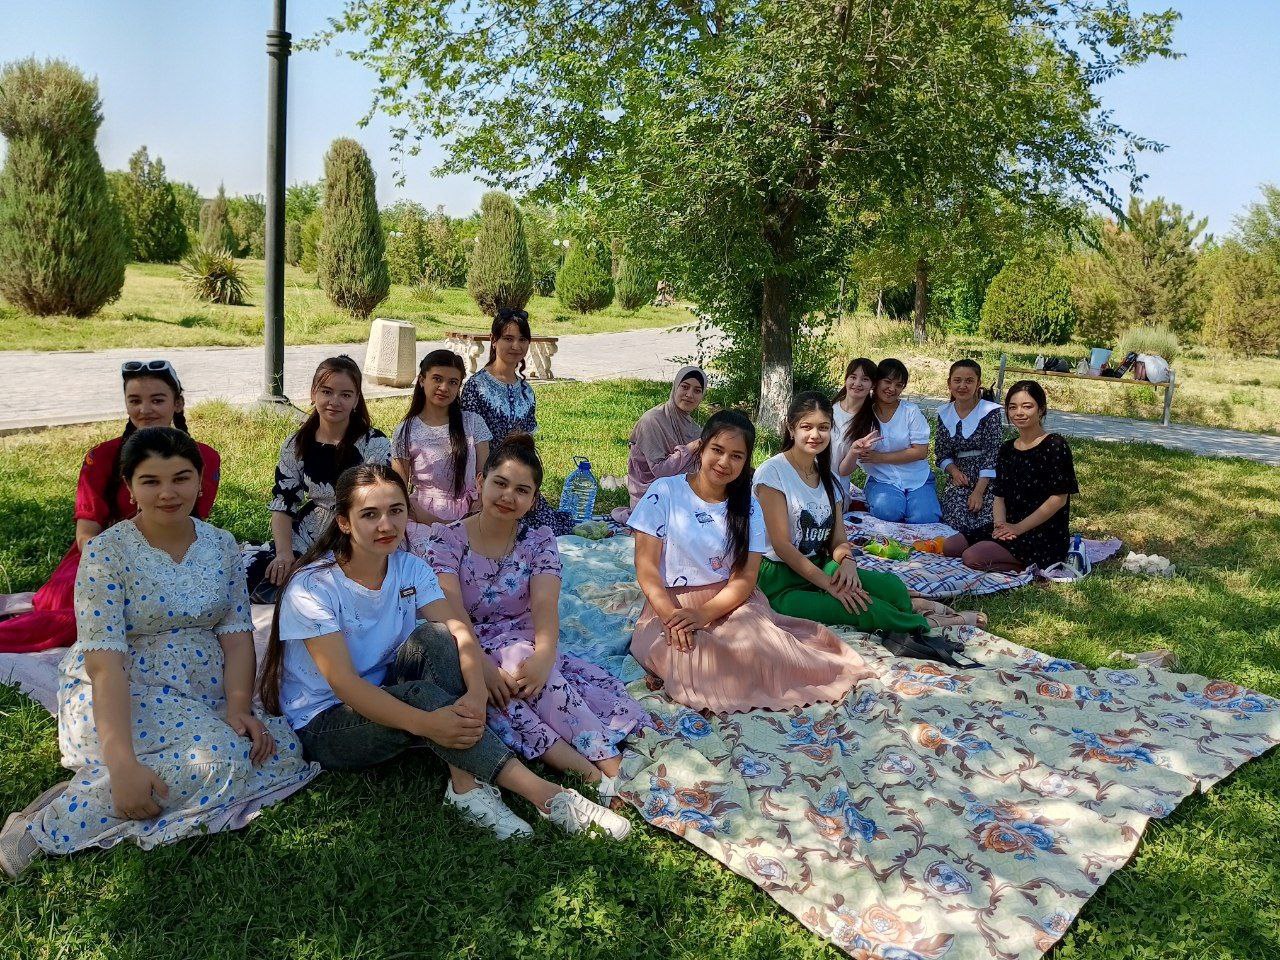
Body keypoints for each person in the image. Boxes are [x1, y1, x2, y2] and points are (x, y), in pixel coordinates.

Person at [0, 428, 317, 878]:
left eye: (181, 478)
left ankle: (100, 785)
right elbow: (105, 665)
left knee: (279, 748)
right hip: (125, 688)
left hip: (202, 688)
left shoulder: (221, 545)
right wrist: (122, 764)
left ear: (200, 481)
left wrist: (239, 707)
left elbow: (235, 634)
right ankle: (51, 821)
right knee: (220, 759)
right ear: (129, 487)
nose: (168, 493)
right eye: (150, 481)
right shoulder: (106, 554)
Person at [261, 463, 632, 841]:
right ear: (343, 522)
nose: (386, 525)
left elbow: (459, 630)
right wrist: (425, 724)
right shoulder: (312, 587)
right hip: (326, 721)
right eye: (369, 515)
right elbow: (344, 685)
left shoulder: (409, 568)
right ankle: (547, 796)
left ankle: (464, 785)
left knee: (437, 636)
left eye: (395, 511)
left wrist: (476, 691)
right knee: (422, 697)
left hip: (387, 688)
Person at [423, 434, 650, 802]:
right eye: (500, 483)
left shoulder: (539, 540)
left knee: (522, 668)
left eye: (522, 490)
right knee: (504, 696)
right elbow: (452, 610)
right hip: (465, 643)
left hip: (521, 642)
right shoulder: (447, 540)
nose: (508, 496)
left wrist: (544, 655)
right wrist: (480, 665)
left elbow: (545, 604)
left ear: (533, 500)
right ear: (480, 482)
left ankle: (605, 768)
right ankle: (599, 771)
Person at [629, 410, 871, 714]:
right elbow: (647, 567)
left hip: (731, 601)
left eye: (736, 456)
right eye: (717, 450)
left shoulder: (749, 506)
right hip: (670, 604)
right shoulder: (664, 492)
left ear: (746, 461)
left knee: (758, 650)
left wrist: (703, 614)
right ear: (701, 448)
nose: (724, 462)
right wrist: (672, 617)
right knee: (691, 657)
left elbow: (745, 577)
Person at [0, 361, 219, 654]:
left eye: (157, 400)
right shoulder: (102, 456)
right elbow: (86, 534)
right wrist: (118, 565)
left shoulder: (204, 458)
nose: (145, 410)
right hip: (99, 558)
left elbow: (192, 524)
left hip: (171, 559)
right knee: (84, 617)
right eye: (135, 401)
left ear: (177, 403)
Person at [754, 393, 929, 634]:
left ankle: (909, 608)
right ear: (791, 428)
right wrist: (830, 585)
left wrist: (847, 562)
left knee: (892, 588)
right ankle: (929, 624)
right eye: (807, 427)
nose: (815, 435)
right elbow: (782, 546)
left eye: (823, 427)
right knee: (863, 607)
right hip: (779, 581)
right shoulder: (773, 473)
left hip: (818, 564)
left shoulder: (828, 476)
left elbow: (838, 540)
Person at [247, 356, 391, 600]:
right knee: (257, 575)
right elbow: (283, 504)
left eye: (345, 395)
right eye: (326, 391)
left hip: (358, 533)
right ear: (313, 393)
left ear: (357, 399)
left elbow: (378, 501)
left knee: (332, 589)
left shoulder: (373, 443)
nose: (334, 401)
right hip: (307, 534)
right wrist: (284, 554)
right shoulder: (296, 444)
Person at [460, 309, 576, 535]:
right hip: (488, 482)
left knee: (550, 532)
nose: (516, 346)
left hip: (520, 479)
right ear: (494, 340)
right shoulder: (477, 386)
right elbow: (471, 442)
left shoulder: (526, 391)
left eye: (522, 339)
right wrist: (483, 487)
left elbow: (528, 444)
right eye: (508, 338)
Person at [943, 381, 1079, 572]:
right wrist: (1000, 526)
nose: (1019, 413)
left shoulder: (1055, 445)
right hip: (1009, 524)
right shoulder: (1007, 449)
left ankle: (1030, 565)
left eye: (1027, 406)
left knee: (972, 557)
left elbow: (1058, 499)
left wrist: (1018, 528)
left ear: (1041, 410)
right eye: (1013, 407)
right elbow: (999, 496)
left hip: (1042, 532)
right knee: (950, 547)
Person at [392, 349, 491, 554]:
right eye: (437, 379)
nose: (444, 388)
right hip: (422, 517)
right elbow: (398, 488)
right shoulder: (406, 430)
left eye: (453, 382)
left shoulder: (473, 423)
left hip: (472, 514)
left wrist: (476, 509)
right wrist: (440, 524)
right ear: (422, 380)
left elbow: (485, 477)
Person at [611, 366, 706, 524]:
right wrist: (690, 449)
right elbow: (660, 472)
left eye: (697, 391)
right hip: (650, 498)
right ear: (675, 387)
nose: (689, 395)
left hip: (682, 495)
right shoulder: (651, 421)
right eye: (684, 387)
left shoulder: (693, 428)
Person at [855, 359, 942, 524]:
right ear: (876, 382)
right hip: (882, 478)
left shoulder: (911, 411)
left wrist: (879, 457)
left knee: (925, 518)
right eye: (887, 382)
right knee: (888, 511)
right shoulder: (863, 412)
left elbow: (920, 452)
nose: (892, 389)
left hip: (917, 478)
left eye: (899, 385)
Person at [935, 359, 1004, 539]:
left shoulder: (990, 412)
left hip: (988, 479)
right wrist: (954, 472)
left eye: (969, 381)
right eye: (957, 380)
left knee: (987, 522)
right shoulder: (944, 413)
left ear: (978, 383)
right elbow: (941, 452)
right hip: (961, 478)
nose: (962, 386)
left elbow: (993, 454)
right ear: (949, 383)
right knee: (955, 519)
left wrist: (979, 492)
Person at [831, 357, 880, 502]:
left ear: (873, 385)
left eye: (865, 379)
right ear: (846, 379)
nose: (857, 383)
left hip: (835, 490)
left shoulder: (869, 427)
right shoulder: (827, 409)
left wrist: (853, 451)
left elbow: (844, 471)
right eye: (853, 377)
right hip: (807, 479)